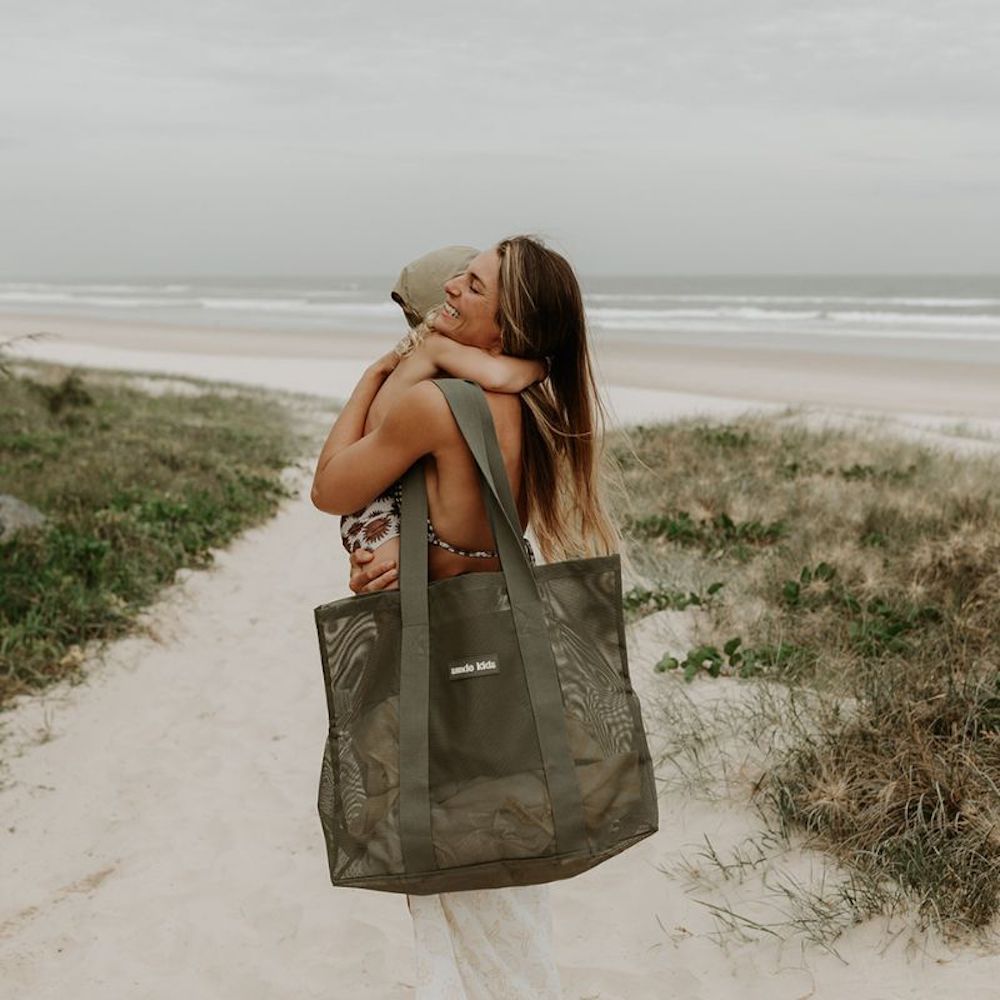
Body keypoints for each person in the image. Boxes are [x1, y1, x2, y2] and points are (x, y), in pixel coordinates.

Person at [311, 235, 619, 999]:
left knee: (463, 908)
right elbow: (474, 530)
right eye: (458, 277)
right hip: (502, 679)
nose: (452, 288)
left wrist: (381, 368)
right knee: (507, 907)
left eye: (472, 288)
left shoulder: (432, 405)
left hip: (447, 693)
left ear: (503, 332)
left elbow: (328, 487)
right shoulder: (525, 406)